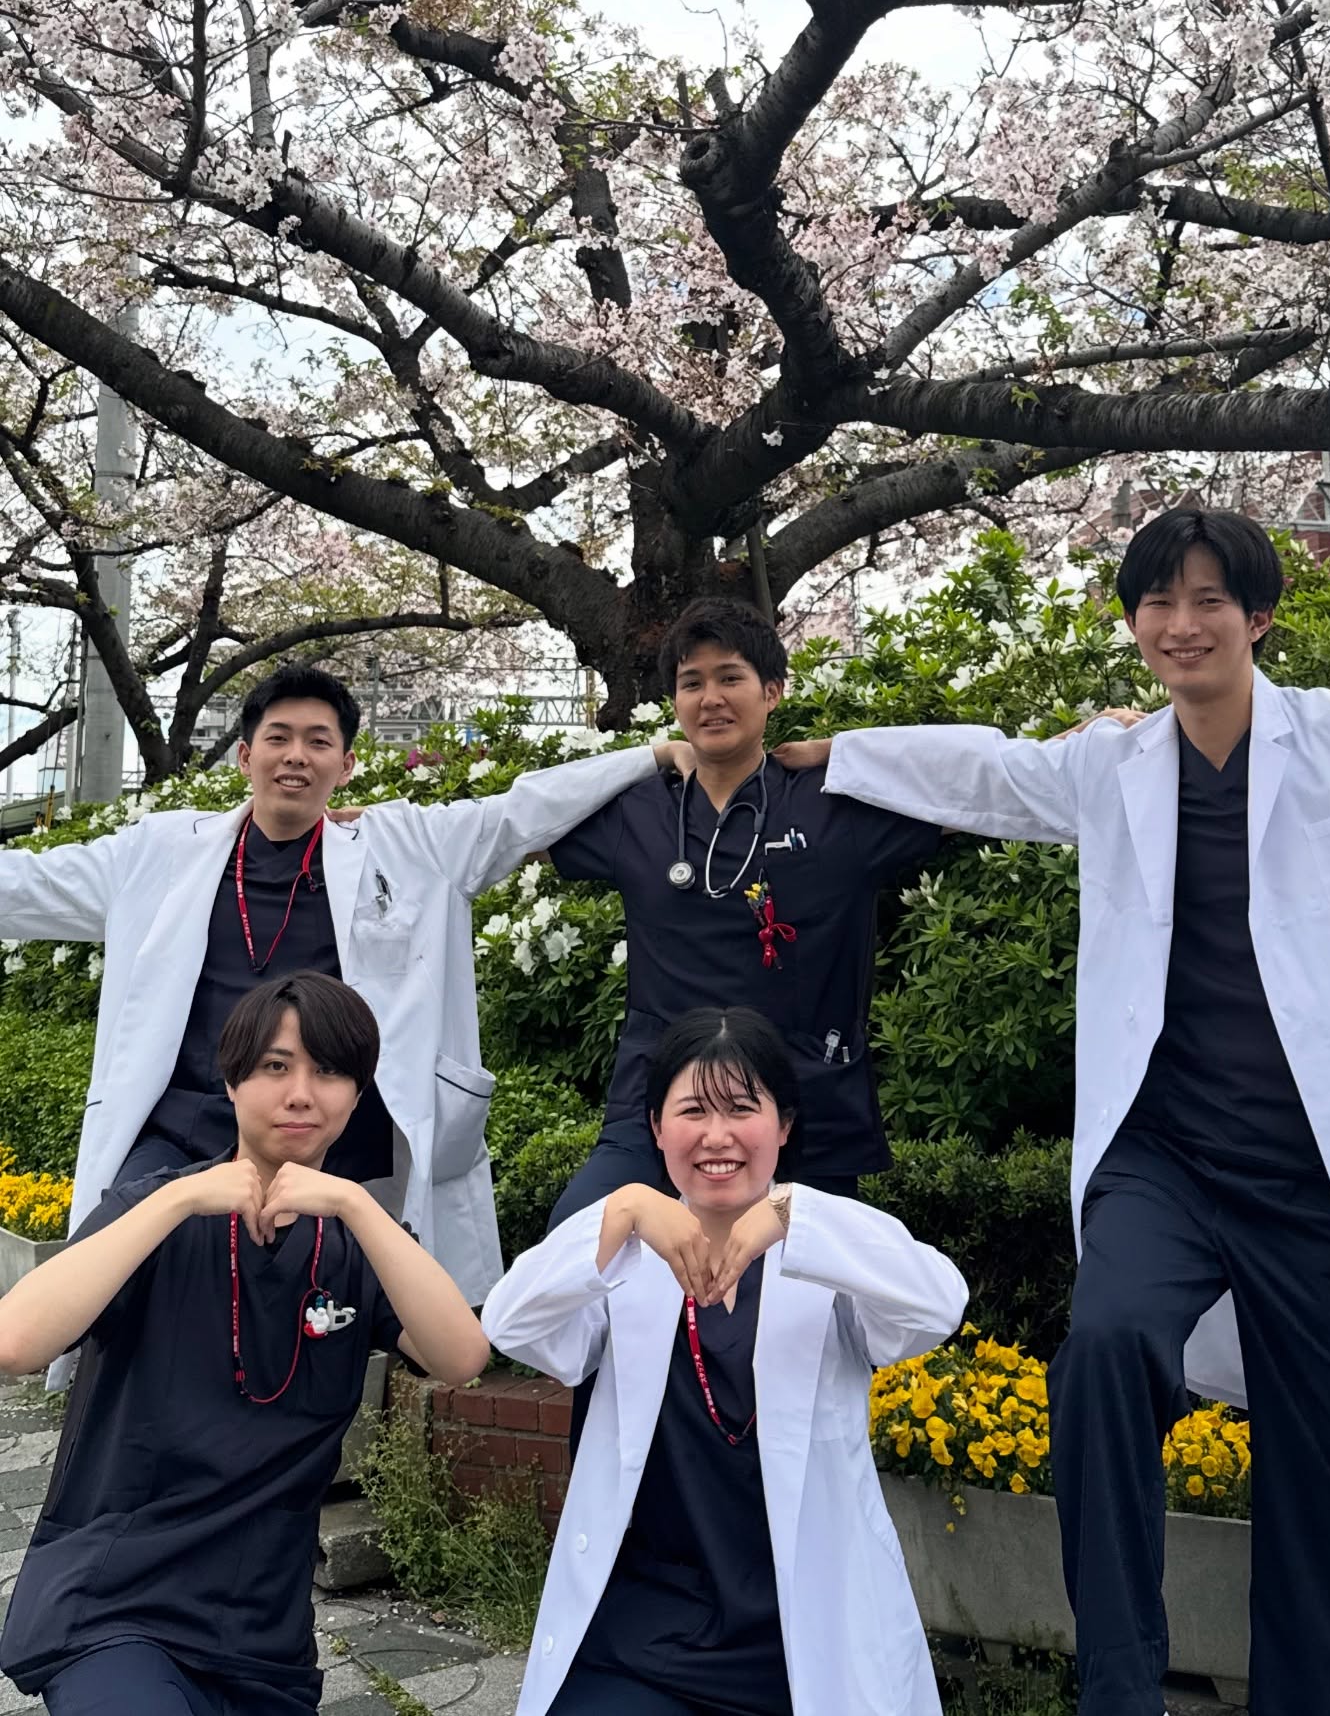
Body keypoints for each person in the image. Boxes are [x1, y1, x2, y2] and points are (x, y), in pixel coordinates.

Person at [784, 505, 1330, 1716]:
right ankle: (1122, 1686)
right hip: (1166, 1155)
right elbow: (988, 772)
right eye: (1157, 601)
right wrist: (836, 754)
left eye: (1208, 599)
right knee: (1107, 1346)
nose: (1181, 624)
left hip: (1323, 1176)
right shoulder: (1114, 764)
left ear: (1260, 615)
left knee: (1319, 1470)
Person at [0, 664, 692, 1342]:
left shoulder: (406, 846)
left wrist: (651, 755)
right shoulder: (161, 851)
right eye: (278, 737)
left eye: (318, 741)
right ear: (244, 756)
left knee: (323, 1329)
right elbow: (25, 885)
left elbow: (519, 812)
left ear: (347, 764)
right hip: (182, 1126)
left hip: (331, 1141)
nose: (295, 756)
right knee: (109, 1298)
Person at [0, 970, 491, 1715]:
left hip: (262, 1637)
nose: (301, 1094)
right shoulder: (155, 1212)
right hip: (118, 1611)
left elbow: (461, 1357)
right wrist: (177, 1198)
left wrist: (358, 1204)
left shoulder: (357, 1240)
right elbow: (15, 1342)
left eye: (330, 1072)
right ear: (230, 1083)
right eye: (274, 1066)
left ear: (359, 1095)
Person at [482, 1005, 967, 1716]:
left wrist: (796, 1212)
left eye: (742, 1108)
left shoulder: (826, 1264)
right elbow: (510, 1322)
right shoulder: (625, 1265)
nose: (717, 1135)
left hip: (803, 1633)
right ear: (655, 1128)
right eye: (692, 1111)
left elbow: (938, 1304)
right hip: (650, 1632)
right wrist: (622, 1210)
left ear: (784, 1125)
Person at [547, 598, 943, 1226]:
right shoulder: (639, 813)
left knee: (807, 1274)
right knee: (580, 1237)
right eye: (691, 683)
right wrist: (651, 756)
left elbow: (978, 790)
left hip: (805, 1112)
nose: (711, 699)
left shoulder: (835, 808)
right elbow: (508, 824)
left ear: (773, 691)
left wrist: (845, 752)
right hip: (661, 1110)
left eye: (730, 677)